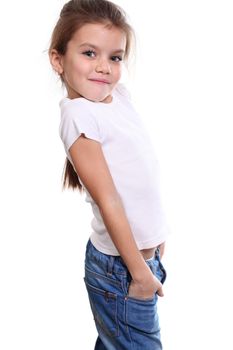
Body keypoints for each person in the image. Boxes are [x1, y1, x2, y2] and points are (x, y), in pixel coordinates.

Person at [49, 0, 170, 348]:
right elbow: (109, 199)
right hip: (123, 269)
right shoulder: (78, 115)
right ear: (58, 60)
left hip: (141, 261)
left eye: (115, 57)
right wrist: (139, 272)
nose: (104, 67)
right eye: (89, 53)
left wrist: (156, 238)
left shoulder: (119, 97)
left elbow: (141, 170)